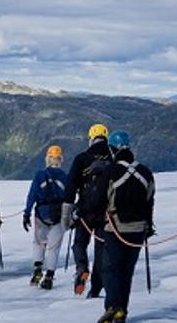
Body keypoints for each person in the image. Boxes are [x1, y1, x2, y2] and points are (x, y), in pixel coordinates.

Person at [94, 131, 154, 323]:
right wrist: (148, 226)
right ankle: (122, 311)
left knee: (110, 268)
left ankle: (113, 305)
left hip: (115, 228)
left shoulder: (110, 171)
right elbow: (149, 200)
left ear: (112, 149)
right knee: (126, 270)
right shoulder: (145, 172)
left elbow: (99, 200)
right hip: (138, 229)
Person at [64, 124, 115, 296]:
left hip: (84, 209)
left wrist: (68, 212)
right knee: (101, 249)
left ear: (91, 138)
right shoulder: (112, 157)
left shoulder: (82, 158)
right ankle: (95, 289)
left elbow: (71, 185)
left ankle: (81, 267)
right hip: (105, 211)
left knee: (79, 243)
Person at [22, 144, 71, 289]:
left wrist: (26, 213)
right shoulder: (65, 177)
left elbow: (32, 195)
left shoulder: (40, 175)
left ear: (48, 159)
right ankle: (49, 276)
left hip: (41, 214)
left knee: (39, 242)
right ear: (60, 159)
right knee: (53, 248)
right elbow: (70, 198)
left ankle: (37, 269)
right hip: (59, 215)